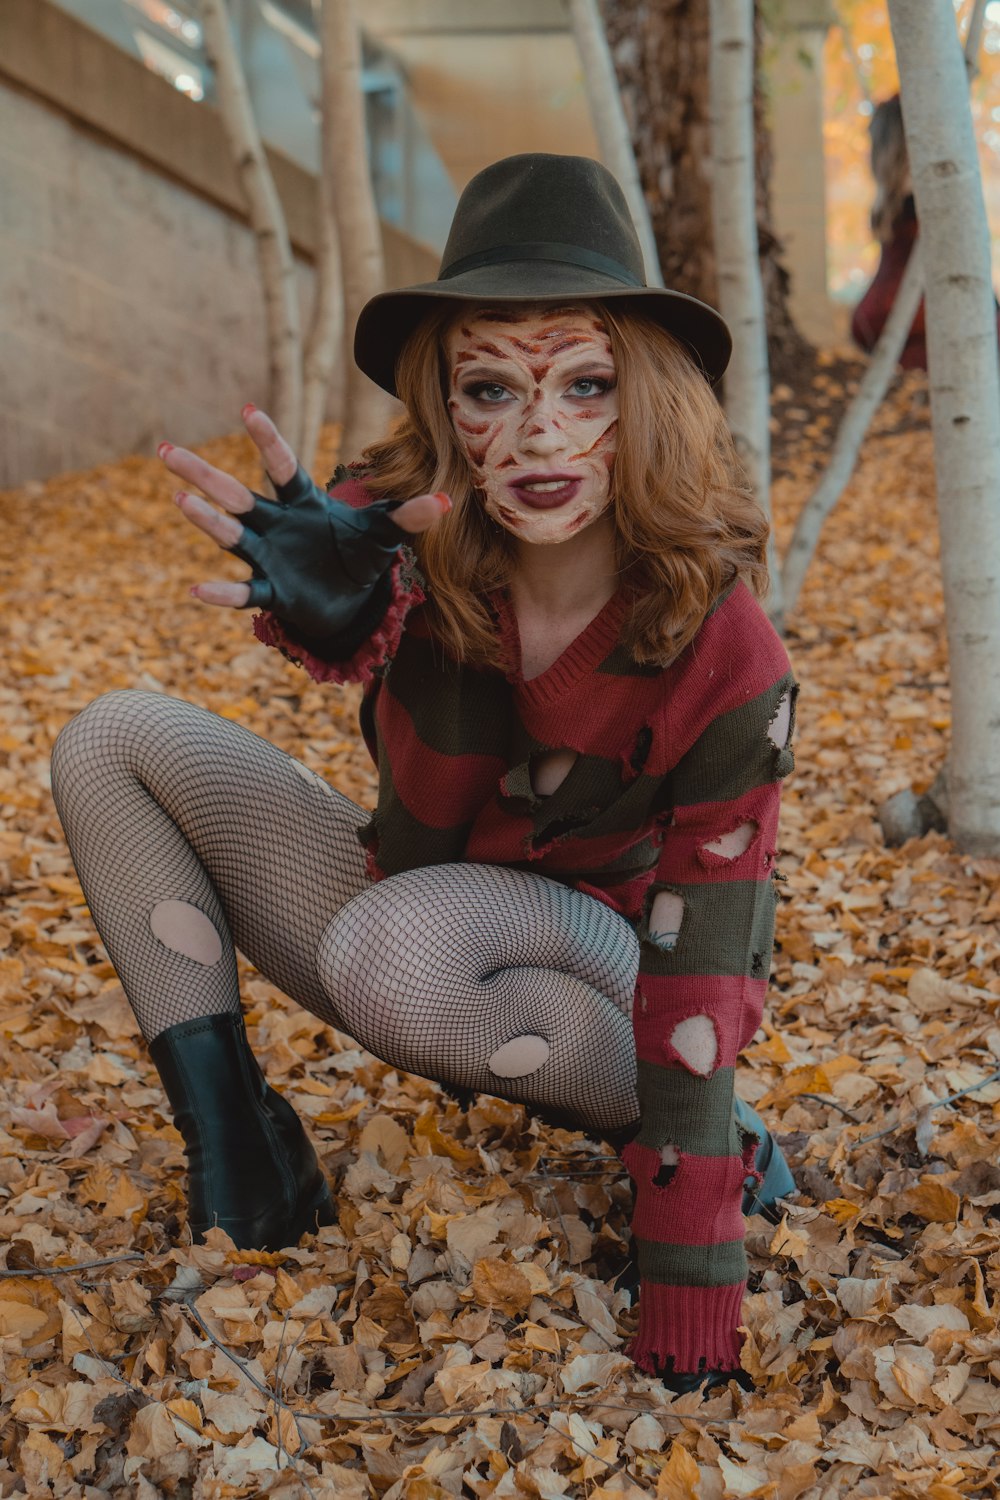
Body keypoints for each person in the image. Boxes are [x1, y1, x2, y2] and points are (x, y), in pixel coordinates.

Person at [50, 154, 796, 1394]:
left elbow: (707, 959)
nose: (541, 431)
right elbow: (337, 571)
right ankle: (244, 1148)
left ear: (650, 397)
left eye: (587, 383)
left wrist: (690, 1274)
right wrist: (348, 625)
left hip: (609, 966)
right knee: (110, 739)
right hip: (415, 911)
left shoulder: (724, 650)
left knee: (398, 945)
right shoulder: (398, 533)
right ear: (448, 410)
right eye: (492, 387)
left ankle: (715, 1142)